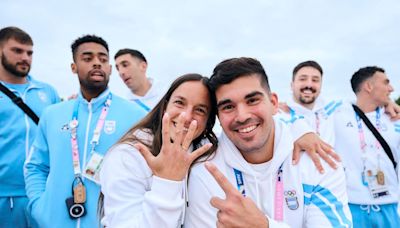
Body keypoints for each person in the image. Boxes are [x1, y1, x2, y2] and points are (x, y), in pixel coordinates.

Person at [185, 57, 352, 227]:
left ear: (273, 103)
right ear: (218, 117)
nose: (242, 116)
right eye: (228, 107)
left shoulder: (318, 161)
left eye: (252, 100)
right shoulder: (205, 171)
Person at [24, 35, 146, 227]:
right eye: (88, 58)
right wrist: (40, 207)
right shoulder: (53, 114)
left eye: (103, 59)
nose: (97, 63)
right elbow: (35, 166)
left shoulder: (135, 115)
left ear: (110, 69)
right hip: (56, 221)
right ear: (74, 67)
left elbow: (148, 171)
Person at [99, 73, 218, 227]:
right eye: (179, 103)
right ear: (165, 107)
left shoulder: (207, 155)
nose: (186, 116)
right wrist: (167, 181)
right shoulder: (127, 155)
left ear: (209, 121)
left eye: (200, 110)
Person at [0, 26, 59, 228]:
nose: (25, 57)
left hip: (42, 192)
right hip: (4, 195)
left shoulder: (47, 92)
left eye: (29, 52)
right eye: (17, 51)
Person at [333, 66, 400, 227]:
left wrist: (390, 103)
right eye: (386, 83)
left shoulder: (395, 118)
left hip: (389, 209)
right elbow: (307, 108)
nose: (391, 88)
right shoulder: (337, 115)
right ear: (369, 87)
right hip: (351, 208)